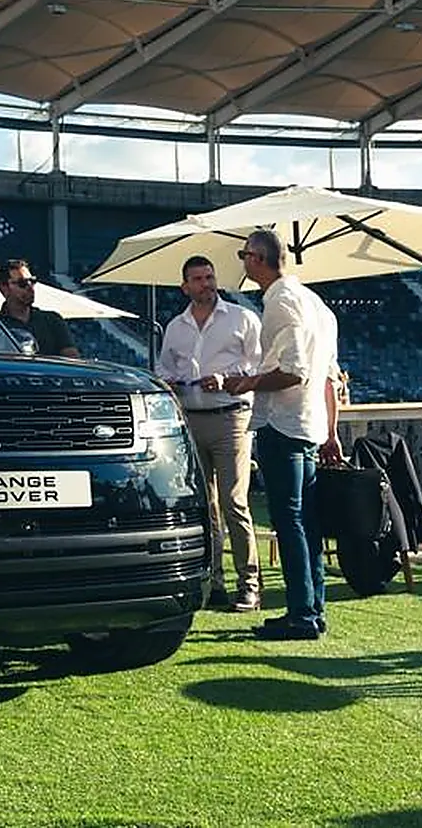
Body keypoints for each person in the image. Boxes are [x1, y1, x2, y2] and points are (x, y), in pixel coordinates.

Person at [213, 228, 343, 641]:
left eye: (243, 254)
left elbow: (294, 370)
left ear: (257, 258)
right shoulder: (315, 304)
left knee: (290, 521)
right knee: (307, 521)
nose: (242, 261)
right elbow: (326, 376)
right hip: (309, 423)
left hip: (284, 424)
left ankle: (302, 613)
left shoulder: (281, 302)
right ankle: (311, 608)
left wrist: (246, 383)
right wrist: (331, 429)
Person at [157, 255, 263, 613]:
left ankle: (248, 584)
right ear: (184, 286)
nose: (206, 283)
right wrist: (168, 381)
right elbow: (164, 365)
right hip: (191, 417)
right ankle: (213, 582)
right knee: (206, 505)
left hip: (231, 417)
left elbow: (260, 364)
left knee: (235, 502)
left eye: (209, 276)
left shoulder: (241, 317)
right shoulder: (176, 326)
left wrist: (228, 377)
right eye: (198, 279)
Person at [0, 259, 80, 357]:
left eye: (32, 281)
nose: (30, 287)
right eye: (22, 283)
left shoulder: (52, 320)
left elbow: (72, 357)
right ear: (4, 288)